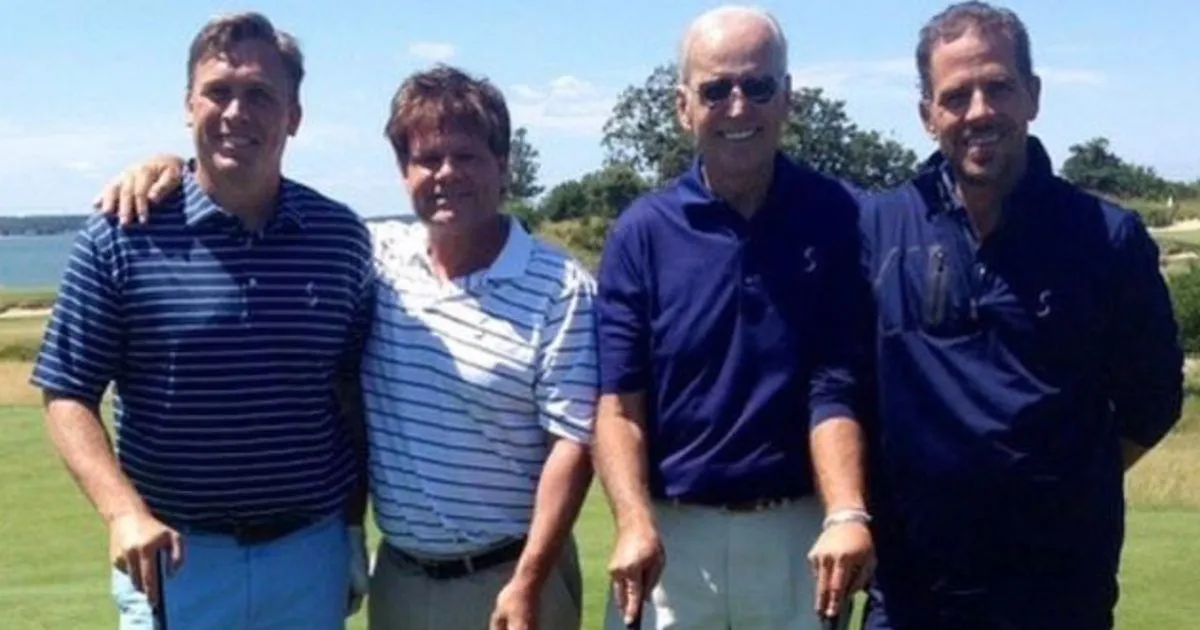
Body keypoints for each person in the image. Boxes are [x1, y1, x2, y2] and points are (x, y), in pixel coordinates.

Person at [93, 65, 597, 630]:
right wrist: (169, 167)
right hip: (401, 579)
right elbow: (245, 185)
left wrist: (528, 581)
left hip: (514, 577)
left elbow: (571, 444)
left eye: (467, 156)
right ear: (404, 173)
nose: (446, 174)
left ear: (503, 166)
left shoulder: (560, 287)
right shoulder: (375, 254)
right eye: (427, 159)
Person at [31, 12, 373, 630]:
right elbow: (67, 392)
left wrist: (351, 526)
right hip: (172, 559)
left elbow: (349, 392)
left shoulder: (341, 237)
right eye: (218, 91)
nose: (236, 112)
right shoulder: (119, 233)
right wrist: (122, 514)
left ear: (294, 116)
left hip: (309, 556)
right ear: (189, 107)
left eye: (260, 94)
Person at [858, 3, 1184, 628]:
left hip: (1058, 595)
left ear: (1033, 95)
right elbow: (842, 385)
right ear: (927, 115)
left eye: (999, 87)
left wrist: (1056, 485)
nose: (979, 111)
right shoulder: (877, 229)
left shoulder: (1106, 237)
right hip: (911, 596)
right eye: (956, 96)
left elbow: (1153, 402)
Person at [591, 6, 875, 629]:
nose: (738, 107)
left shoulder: (843, 217)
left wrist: (847, 512)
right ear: (683, 106)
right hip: (671, 540)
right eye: (716, 89)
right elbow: (620, 406)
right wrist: (633, 521)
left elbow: (837, 384)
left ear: (788, 98)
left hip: (800, 536)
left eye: (758, 86)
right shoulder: (641, 233)